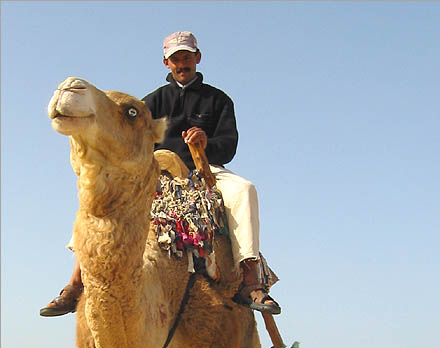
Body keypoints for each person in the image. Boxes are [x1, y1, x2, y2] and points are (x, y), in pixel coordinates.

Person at [40, 31, 280, 317]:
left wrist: (205, 143)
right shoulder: (149, 104)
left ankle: (251, 279)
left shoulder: (218, 100)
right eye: (175, 59)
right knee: (100, 195)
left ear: (197, 58)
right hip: (156, 171)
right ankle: (76, 281)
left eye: (186, 58)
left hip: (204, 169)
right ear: (166, 63)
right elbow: (132, 143)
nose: (182, 64)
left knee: (245, 190)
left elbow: (228, 146)